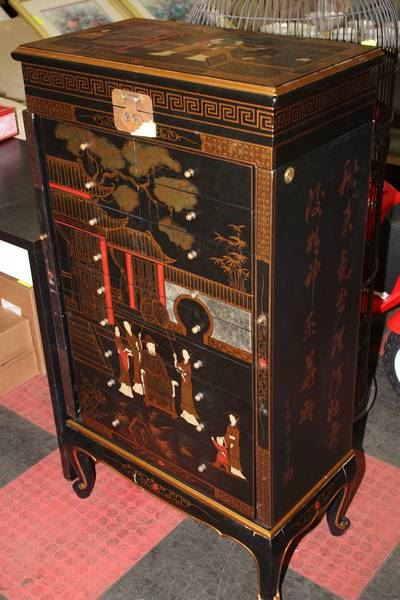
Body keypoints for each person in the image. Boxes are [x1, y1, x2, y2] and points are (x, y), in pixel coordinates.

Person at [140, 335, 178, 419]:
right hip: (149, 377)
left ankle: (167, 404)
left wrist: (169, 380)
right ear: (147, 346)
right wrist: (142, 369)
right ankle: (154, 399)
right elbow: (142, 363)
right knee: (153, 389)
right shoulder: (144, 353)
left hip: (159, 377)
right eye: (150, 346)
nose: (152, 348)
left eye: (153, 346)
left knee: (166, 388)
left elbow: (163, 370)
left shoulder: (157, 357)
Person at [174, 349, 203, 431]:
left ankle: (190, 412)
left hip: (187, 384)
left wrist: (182, 373)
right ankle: (185, 411)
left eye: (186, 354)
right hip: (183, 384)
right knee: (183, 397)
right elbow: (177, 367)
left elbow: (188, 376)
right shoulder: (183, 362)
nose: (184, 355)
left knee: (187, 398)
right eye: (183, 353)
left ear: (189, 355)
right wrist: (175, 359)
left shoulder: (189, 365)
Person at [123, 321, 143, 395]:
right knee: (137, 368)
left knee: (139, 367)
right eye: (125, 326)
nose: (126, 327)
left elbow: (139, 345)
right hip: (135, 353)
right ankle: (137, 384)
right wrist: (135, 347)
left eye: (127, 325)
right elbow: (132, 346)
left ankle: (139, 384)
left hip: (138, 352)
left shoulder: (132, 334)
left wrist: (139, 338)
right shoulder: (127, 335)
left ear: (130, 326)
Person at [224, 413, 246, 479]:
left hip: (235, 447)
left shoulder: (236, 429)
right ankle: (233, 470)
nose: (231, 419)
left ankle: (237, 471)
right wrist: (226, 438)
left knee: (235, 459)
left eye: (232, 418)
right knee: (231, 458)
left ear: (236, 420)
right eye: (230, 418)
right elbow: (227, 435)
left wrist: (233, 442)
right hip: (230, 446)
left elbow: (236, 439)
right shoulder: (229, 426)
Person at [114, 326, 133, 398]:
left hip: (124, 356)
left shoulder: (119, 339)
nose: (118, 333)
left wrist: (127, 352)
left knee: (125, 373)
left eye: (118, 331)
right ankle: (126, 389)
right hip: (122, 358)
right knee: (125, 373)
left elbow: (122, 349)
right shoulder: (117, 339)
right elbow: (119, 350)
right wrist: (126, 351)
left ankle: (125, 389)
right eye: (117, 332)